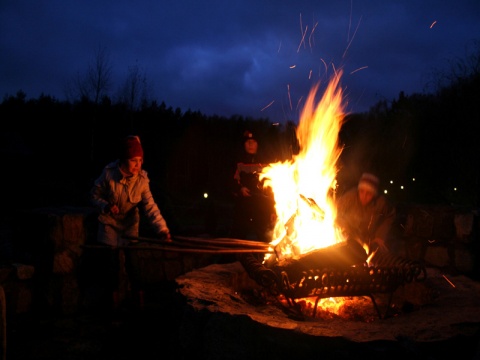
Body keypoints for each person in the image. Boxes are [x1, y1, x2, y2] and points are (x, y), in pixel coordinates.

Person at [89, 135, 171, 310]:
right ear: (124, 160)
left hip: (129, 226)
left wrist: (162, 230)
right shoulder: (108, 174)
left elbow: (151, 207)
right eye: (134, 161)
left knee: (134, 266)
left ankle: (138, 305)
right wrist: (105, 206)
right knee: (110, 268)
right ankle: (113, 305)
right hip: (109, 225)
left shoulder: (142, 180)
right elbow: (94, 195)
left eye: (140, 161)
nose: (137, 165)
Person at [229, 130, 276, 244]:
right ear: (243, 144)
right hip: (243, 207)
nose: (250, 144)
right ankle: (233, 259)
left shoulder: (265, 162)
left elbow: (272, 189)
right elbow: (231, 181)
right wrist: (240, 189)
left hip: (261, 208)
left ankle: (268, 260)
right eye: (248, 142)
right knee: (237, 238)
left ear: (258, 144)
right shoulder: (238, 162)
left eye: (253, 142)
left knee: (266, 238)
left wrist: (272, 210)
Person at [335, 172, 396, 255]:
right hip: (349, 238)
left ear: (374, 194)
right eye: (362, 191)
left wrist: (380, 236)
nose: (364, 196)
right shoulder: (350, 197)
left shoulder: (380, 202)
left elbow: (391, 215)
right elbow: (335, 212)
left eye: (369, 193)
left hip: (369, 241)